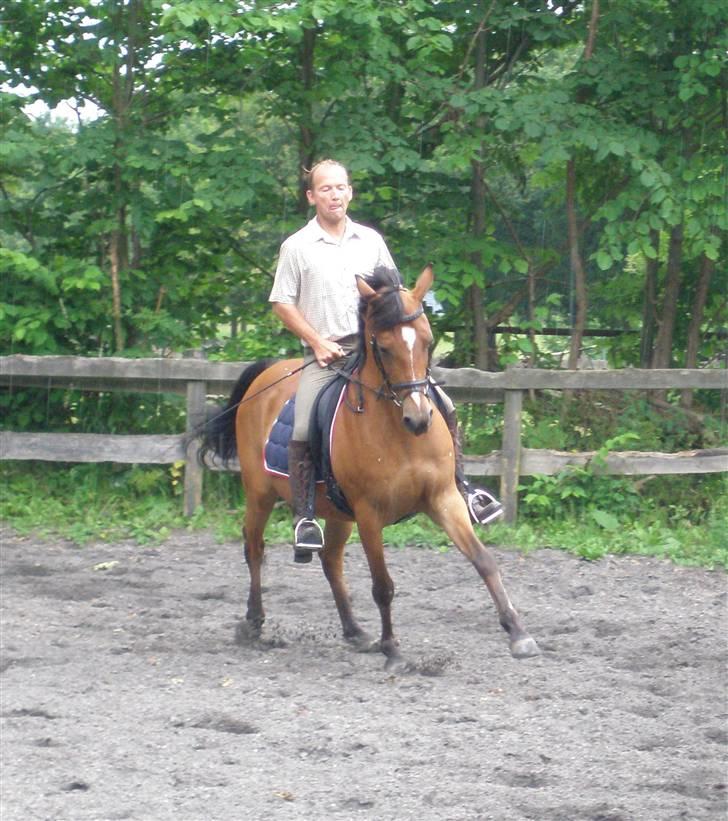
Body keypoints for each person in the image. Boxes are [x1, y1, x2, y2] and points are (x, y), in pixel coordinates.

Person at [269, 159, 502, 563]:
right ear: (311, 197)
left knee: (442, 404)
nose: (334, 195)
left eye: (340, 187)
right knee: (304, 420)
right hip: (328, 353)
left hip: (381, 349)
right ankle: (306, 517)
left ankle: (463, 488)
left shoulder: (371, 240)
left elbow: (397, 294)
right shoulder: (297, 247)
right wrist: (316, 341)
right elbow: (281, 303)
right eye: (325, 189)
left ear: (350, 192)